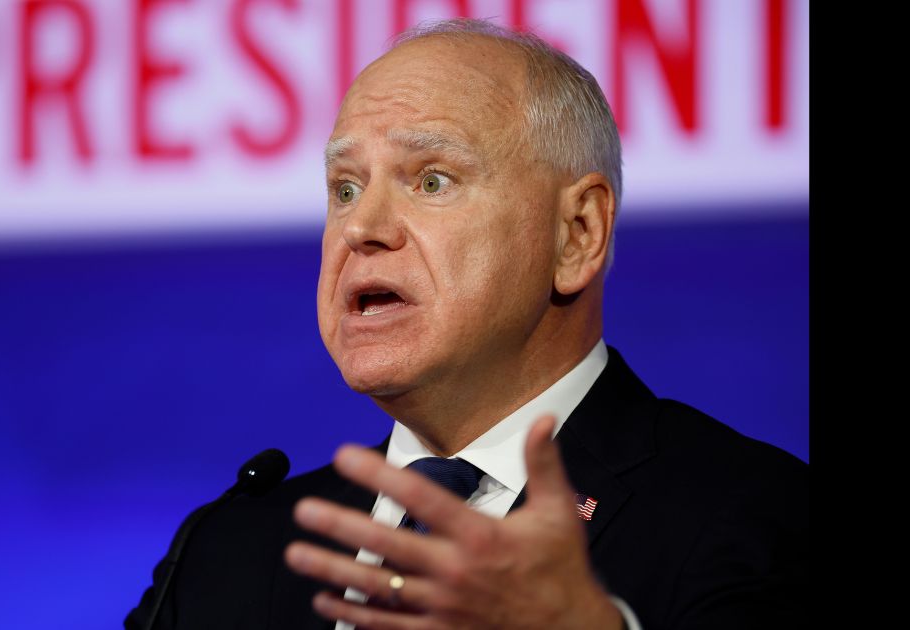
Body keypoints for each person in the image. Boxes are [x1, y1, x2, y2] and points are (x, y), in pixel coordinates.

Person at [126, 18, 807, 630]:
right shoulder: (230, 550)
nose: (362, 228)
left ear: (577, 234)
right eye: (345, 188)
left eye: (431, 181)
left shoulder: (753, 516)